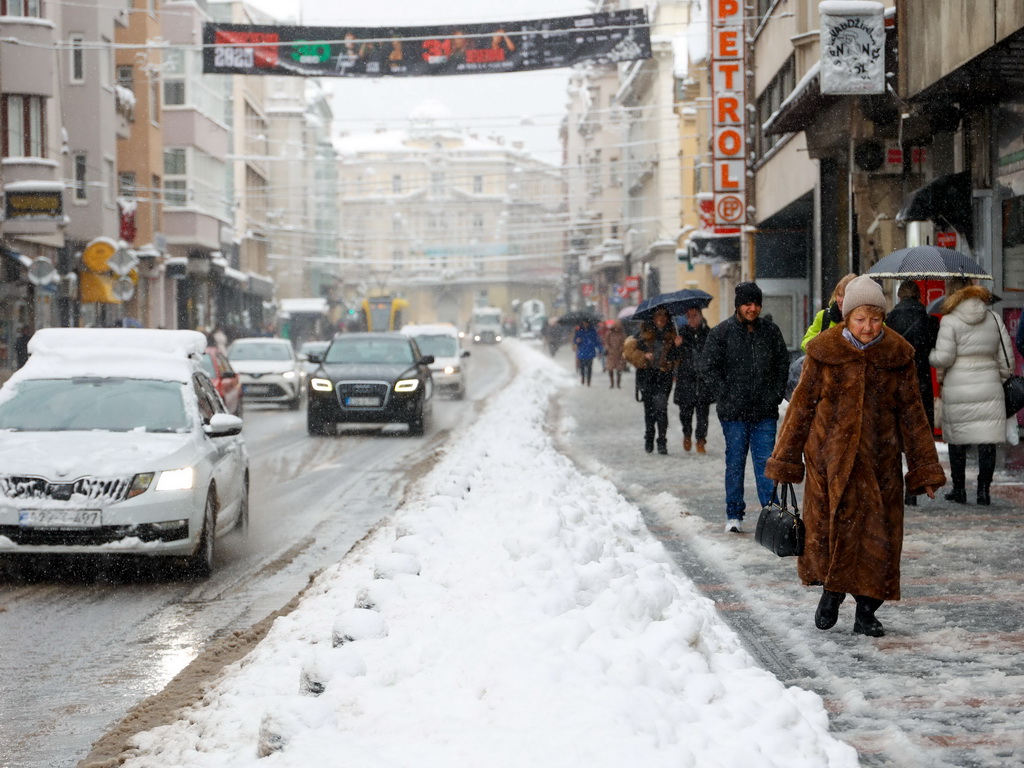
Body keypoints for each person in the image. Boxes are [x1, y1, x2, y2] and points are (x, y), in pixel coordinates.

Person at [765, 274, 946, 638]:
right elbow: (801, 408)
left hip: (881, 464)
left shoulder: (898, 355)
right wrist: (786, 460)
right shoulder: (823, 351)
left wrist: (924, 468)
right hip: (829, 463)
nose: (868, 327)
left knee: (879, 539)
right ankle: (831, 593)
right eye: (860, 319)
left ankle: (867, 611)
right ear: (846, 317)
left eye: (875, 318)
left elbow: (913, 414)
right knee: (830, 534)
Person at [699, 282, 789, 533]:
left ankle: (771, 515)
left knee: (766, 464)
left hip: (764, 412)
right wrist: (725, 395)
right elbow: (708, 367)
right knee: (735, 463)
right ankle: (734, 514)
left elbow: (783, 364)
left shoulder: (770, 332)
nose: (753, 309)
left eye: (756, 304)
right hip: (734, 414)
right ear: (738, 305)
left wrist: (775, 394)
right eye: (748, 304)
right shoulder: (721, 333)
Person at [928, 284, 1013, 505]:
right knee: (987, 442)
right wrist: (998, 379)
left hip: (959, 387)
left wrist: (932, 355)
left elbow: (944, 359)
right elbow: (1007, 359)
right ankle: (984, 491)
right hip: (990, 386)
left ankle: (959, 490)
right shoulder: (994, 318)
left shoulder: (949, 320)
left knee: (957, 441)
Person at [623, 307, 682, 455]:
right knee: (649, 410)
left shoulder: (672, 335)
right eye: (658, 315)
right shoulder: (642, 335)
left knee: (661, 408)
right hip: (647, 377)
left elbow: (676, 358)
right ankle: (649, 435)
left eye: (664, 315)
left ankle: (662, 441)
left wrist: (678, 346)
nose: (661, 318)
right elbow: (631, 354)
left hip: (663, 377)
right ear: (653, 318)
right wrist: (644, 356)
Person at [673, 307, 712, 453]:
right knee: (685, 413)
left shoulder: (709, 333)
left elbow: (714, 355)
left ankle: (701, 440)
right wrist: (676, 346)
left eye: (694, 316)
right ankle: (687, 435)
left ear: (701, 316)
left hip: (703, 380)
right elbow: (673, 357)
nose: (691, 319)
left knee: (703, 414)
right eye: (688, 317)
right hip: (686, 379)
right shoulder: (681, 333)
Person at [801, 273, 857, 352]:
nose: (841, 300)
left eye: (845, 296)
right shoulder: (824, 316)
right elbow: (805, 344)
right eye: (839, 295)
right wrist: (816, 341)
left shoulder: (868, 318)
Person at [572, 319, 602, 387]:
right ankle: (583, 378)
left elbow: (597, 341)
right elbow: (575, 340)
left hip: (590, 352)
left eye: (586, 323)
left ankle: (588, 380)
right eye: (583, 323)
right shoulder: (579, 332)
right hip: (582, 351)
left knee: (589, 367)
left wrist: (600, 350)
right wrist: (577, 341)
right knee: (582, 367)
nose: (585, 324)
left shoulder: (593, 332)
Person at [604, 320, 627, 388]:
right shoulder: (609, 334)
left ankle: (618, 383)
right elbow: (606, 342)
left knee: (619, 370)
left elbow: (624, 343)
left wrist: (621, 348)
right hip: (611, 354)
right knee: (610, 369)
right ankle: (612, 383)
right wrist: (608, 348)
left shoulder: (622, 334)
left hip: (619, 355)